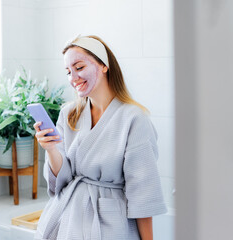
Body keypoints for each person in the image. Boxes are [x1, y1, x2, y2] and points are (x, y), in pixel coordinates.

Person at [33, 35, 167, 240]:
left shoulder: (134, 119)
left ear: (104, 66)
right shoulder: (68, 114)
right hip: (69, 219)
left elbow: (142, 191)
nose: (73, 77)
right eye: (68, 72)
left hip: (111, 224)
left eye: (79, 67)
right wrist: (50, 148)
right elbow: (61, 181)